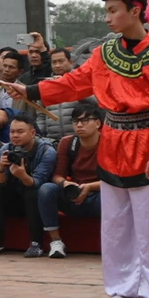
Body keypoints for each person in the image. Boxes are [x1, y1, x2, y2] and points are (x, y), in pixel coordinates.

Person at [2, 0, 149, 298]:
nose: (108, 18)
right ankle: (124, 285)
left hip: (147, 143)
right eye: (107, 11)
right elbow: (73, 83)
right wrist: (29, 91)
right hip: (113, 141)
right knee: (116, 222)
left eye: (113, 10)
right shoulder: (104, 54)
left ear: (135, 10)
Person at [0, 116, 60, 257]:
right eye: (12, 132)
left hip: (37, 200)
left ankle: (36, 244)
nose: (15, 136)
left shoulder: (47, 151)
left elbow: (37, 182)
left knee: (32, 192)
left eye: (20, 131)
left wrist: (22, 175)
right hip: (14, 197)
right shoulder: (5, 150)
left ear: (33, 132)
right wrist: (0, 168)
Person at [46, 105, 106, 245]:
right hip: (74, 193)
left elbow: (116, 180)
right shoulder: (67, 142)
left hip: (99, 194)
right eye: (75, 121)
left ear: (98, 123)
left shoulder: (108, 143)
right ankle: (55, 242)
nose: (79, 125)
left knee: (113, 195)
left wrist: (90, 187)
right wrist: (65, 184)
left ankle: (109, 243)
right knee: (47, 189)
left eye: (85, 121)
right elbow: (57, 176)